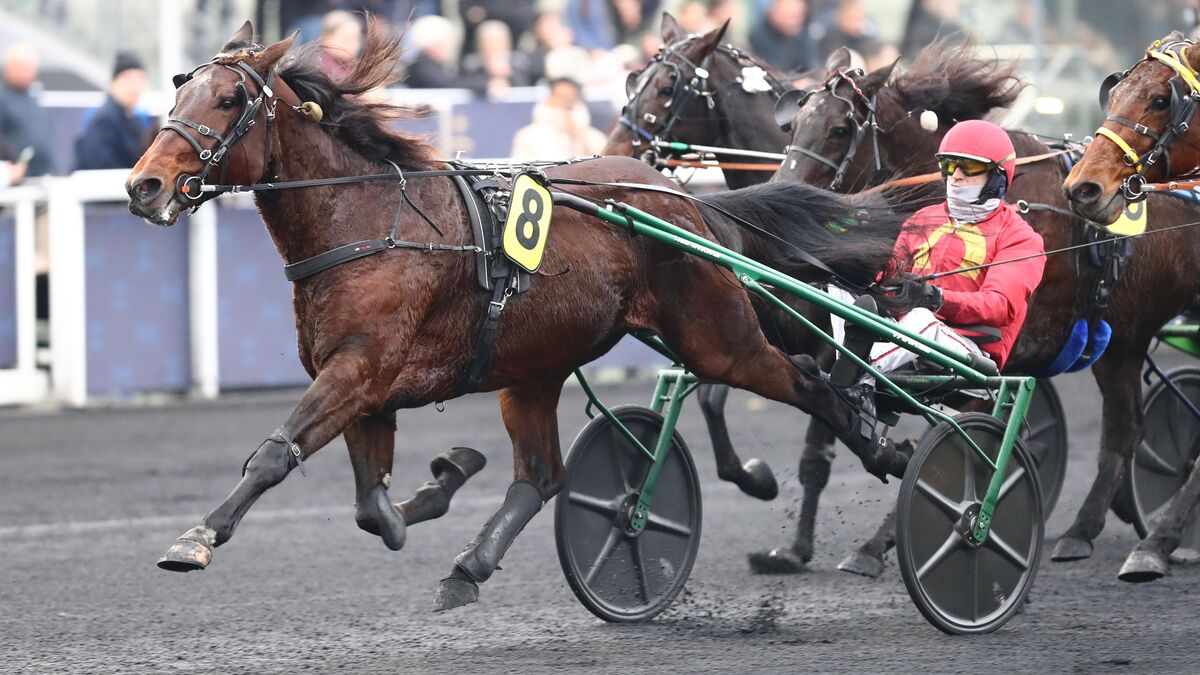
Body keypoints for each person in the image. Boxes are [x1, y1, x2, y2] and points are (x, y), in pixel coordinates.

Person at [840, 119, 1045, 381]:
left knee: (922, 318)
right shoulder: (923, 218)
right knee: (838, 286)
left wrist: (936, 298)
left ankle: (858, 370)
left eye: (969, 168)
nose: (956, 176)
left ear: (997, 176)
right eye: (949, 165)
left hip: (971, 349)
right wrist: (858, 267)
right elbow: (889, 274)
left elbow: (999, 306)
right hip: (906, 331)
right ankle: (848, 364)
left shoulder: (1021, 238)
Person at [73, 52, 150, 171]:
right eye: (128, 80)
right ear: (113, 83)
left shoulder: (135, 120)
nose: (135, 87)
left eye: (140, 79)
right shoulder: (104, 121)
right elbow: (99, 167)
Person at [510, 77, 606, 159]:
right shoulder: (528, 136)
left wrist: (579, 135)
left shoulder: (594, 136)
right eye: (559, 97)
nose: (564, 103)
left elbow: (603, 162)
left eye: (570, 98)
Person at [0, 43, 54, 177]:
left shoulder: (34, 96)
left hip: (41, 174)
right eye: (24, 67)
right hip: (13, 179)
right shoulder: (3, 99)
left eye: (32, 67)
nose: (30, 72)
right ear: (9, 67)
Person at [461, 20, 534, 98]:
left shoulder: (519, 62)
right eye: (487, 43)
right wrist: (487, 82)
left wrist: (509, 73)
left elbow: (527, 87)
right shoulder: (471, 64)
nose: (492, 47)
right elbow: (462, 85)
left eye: (496, 42)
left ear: (507, 44)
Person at [749, 0, 817, 73]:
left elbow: (811, 66)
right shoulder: (760, 36)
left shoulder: (802, 34)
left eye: (798, 17)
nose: (794, 22)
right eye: (789, 17)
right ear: (773, 13)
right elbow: (772, 70)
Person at [404, 15, 465, 89]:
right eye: (446, 43)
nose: (450, 48)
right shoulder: (424, 67)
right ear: (432, 44)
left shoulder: (428, 64)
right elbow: (445, 85)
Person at [317, 10, 364, 82]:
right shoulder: (317, 69)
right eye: (347, 39)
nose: (354, 44)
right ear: (327, 38)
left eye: (357, 39)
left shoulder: (355, 67)